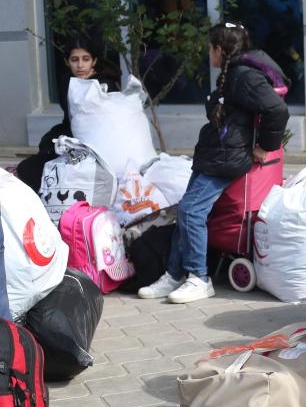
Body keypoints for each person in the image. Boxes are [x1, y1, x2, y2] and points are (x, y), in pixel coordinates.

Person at [138, 22, 289, 304]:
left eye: (211, 48)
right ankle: (174, 273)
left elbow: (277, 111)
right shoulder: (232, 74)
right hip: (214, 153)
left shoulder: (245, 76)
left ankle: (199, 277)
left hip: (228, 158)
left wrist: (264, 147)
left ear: (219, 49)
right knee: (187, 210)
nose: (209, 53)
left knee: (192, 211)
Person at [16, 37, 121, 191]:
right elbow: (69, 119)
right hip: (72, 139)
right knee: (29, 167)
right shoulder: (67, 81)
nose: (80, 65)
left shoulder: (104, 84)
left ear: (94, 61)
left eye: (86, 59)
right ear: (67, 62)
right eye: (74, 59)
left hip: (99, 145)